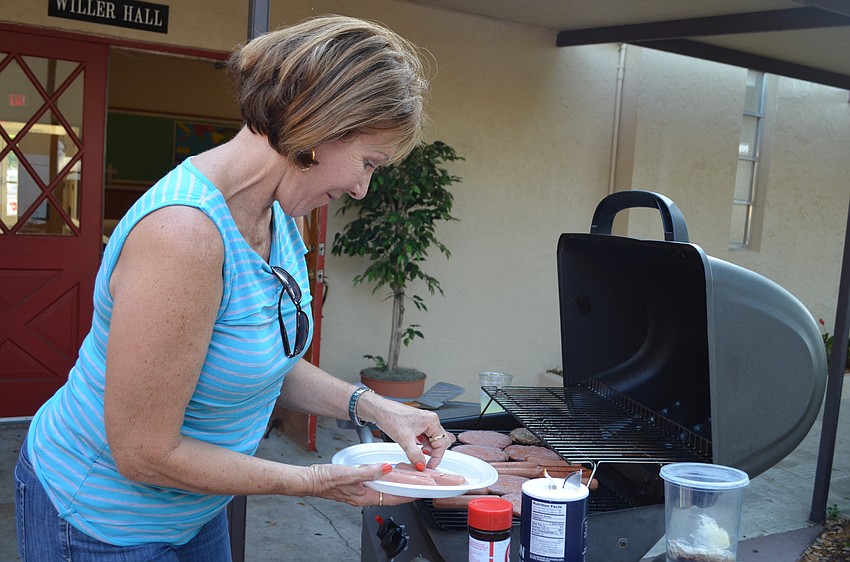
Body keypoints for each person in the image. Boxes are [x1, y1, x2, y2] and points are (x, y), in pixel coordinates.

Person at [14, 15, 456, 561]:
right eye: (367, 162)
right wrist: (313, 481)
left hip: (196, 504)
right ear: (321, 130)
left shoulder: (278, 217)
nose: (362, 189)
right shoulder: (184, 236)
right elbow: (143, 452)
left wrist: (377, 408)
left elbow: (259, 355)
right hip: (101, 519)